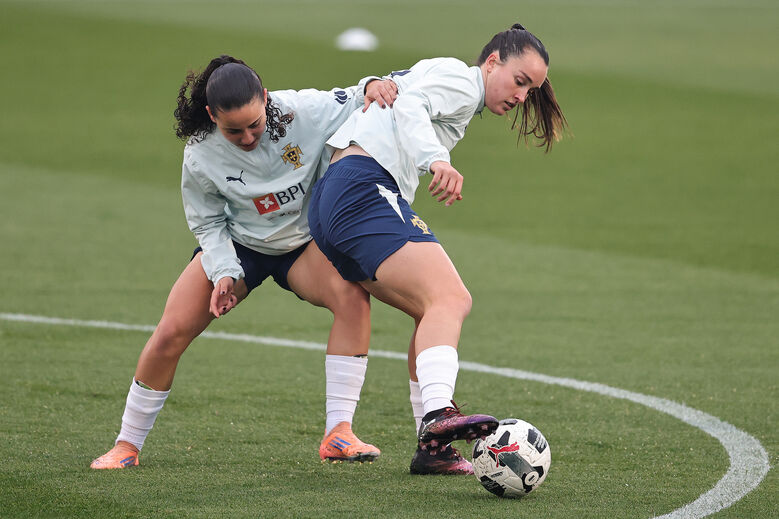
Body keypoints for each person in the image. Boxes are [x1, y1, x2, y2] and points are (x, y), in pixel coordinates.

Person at [90, 55, 399, 469]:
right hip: (239, 244)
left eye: (255, 124)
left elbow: (349, 96)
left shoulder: (298, 111)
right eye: (233, 130)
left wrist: (373, 84)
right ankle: (126, 446)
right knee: (171, 332)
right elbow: (207, 222)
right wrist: (223, 274)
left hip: (303, 242)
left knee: (352, 298)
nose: (249, 136)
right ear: (211, 115)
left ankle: (339, 433)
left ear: (266, 100)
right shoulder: (200, 153)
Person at [308, 24, 567, 475]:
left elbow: (397, 100)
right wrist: (437, 161)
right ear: (491, 62)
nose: (523, 96)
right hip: (362, 190)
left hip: (339, 197)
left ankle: (433, 450)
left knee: (432, 311)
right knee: (451, 298)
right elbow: (410, 104)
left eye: (532, 90)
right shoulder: (462, 80)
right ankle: (435, 417)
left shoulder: (439, 76)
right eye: (520, 81)